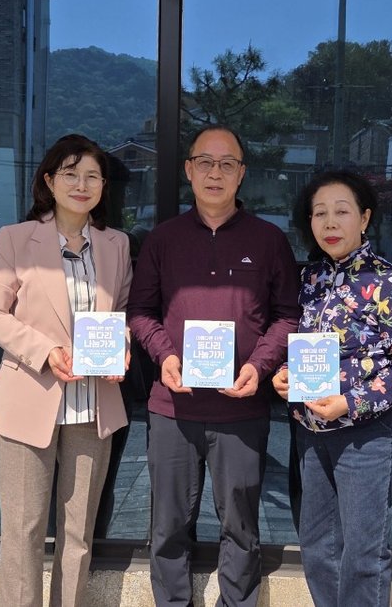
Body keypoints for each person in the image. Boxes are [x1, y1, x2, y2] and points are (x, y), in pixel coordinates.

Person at [128, 125, 300, 606]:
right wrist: (164, 355)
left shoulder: (269, 240)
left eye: (227, 164)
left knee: (241, 527)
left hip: (241, 410)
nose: (215, 173)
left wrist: (260, 366)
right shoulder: (162, 239)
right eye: (205, 161)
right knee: (167, 526)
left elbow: (288, 315)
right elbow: (140, 311)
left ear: (242, 174)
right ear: (188, 169)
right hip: (172, 408)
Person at [0, 134, 133, 607]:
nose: (82, 185)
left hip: (93, 407)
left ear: (103, 186)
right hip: (29, 399)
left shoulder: (117, 244)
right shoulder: (17, 239)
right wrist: (45, 351)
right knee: (23, 530)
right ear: (49, 180)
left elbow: (121, 311)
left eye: (92, 176)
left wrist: (121, 347)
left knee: (79, 532)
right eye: (71, 174)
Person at [272, 170, 392, 607]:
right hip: (310, 434)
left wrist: (351, 401)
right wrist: (285, 374)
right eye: (319, 213)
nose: (330, 222)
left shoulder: (388, 281)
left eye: (341, 212)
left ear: (364, 218)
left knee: (363, 554)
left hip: (364, 437)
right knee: (318, 549)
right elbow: (304, 346)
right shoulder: (311, 280)